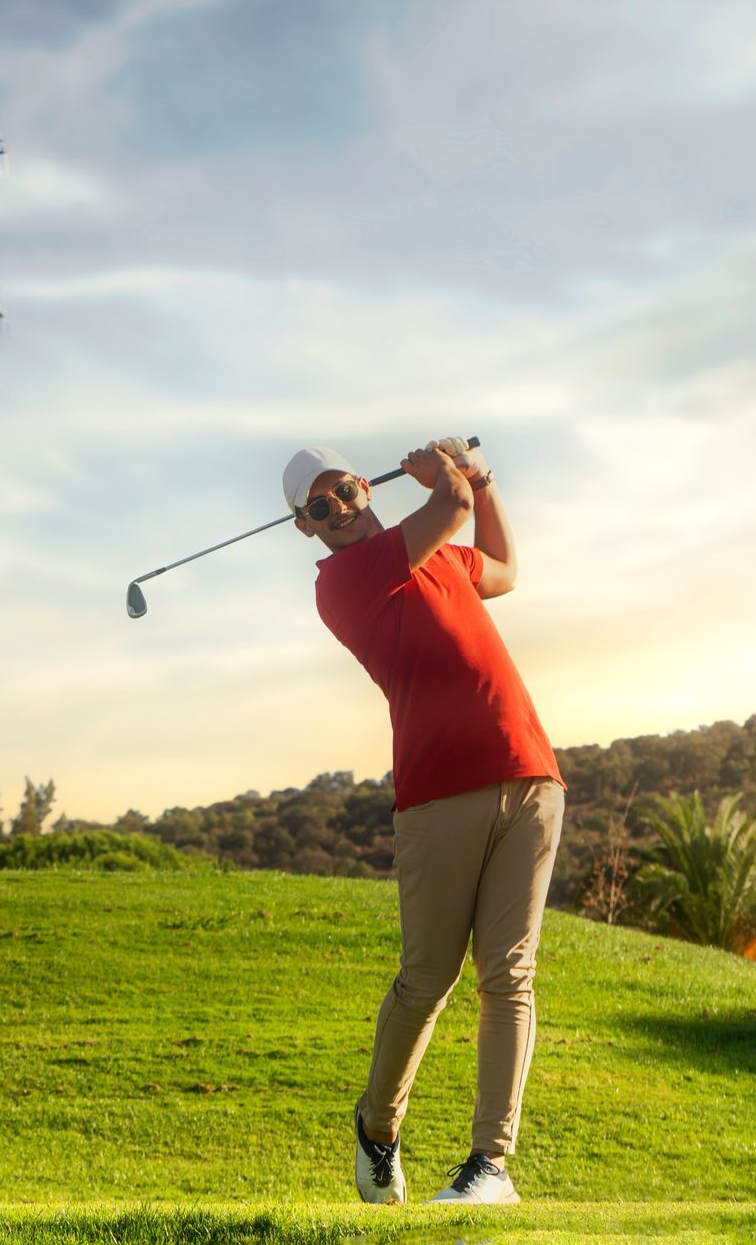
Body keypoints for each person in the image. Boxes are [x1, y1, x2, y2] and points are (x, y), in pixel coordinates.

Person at [281, 436, 565, 1207]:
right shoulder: (344, 579)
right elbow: (452, 509)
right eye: (318, 506)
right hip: (439, 795)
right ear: (306, 527)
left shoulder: (442, 557)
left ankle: (490, 1167)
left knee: (509, 975)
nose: (337, 506)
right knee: (427, 979)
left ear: (363, 490)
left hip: (530, 774)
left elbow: (502, 568)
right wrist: (446, 477)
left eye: (343, 489)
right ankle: (378, 1129)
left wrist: (482, 479)